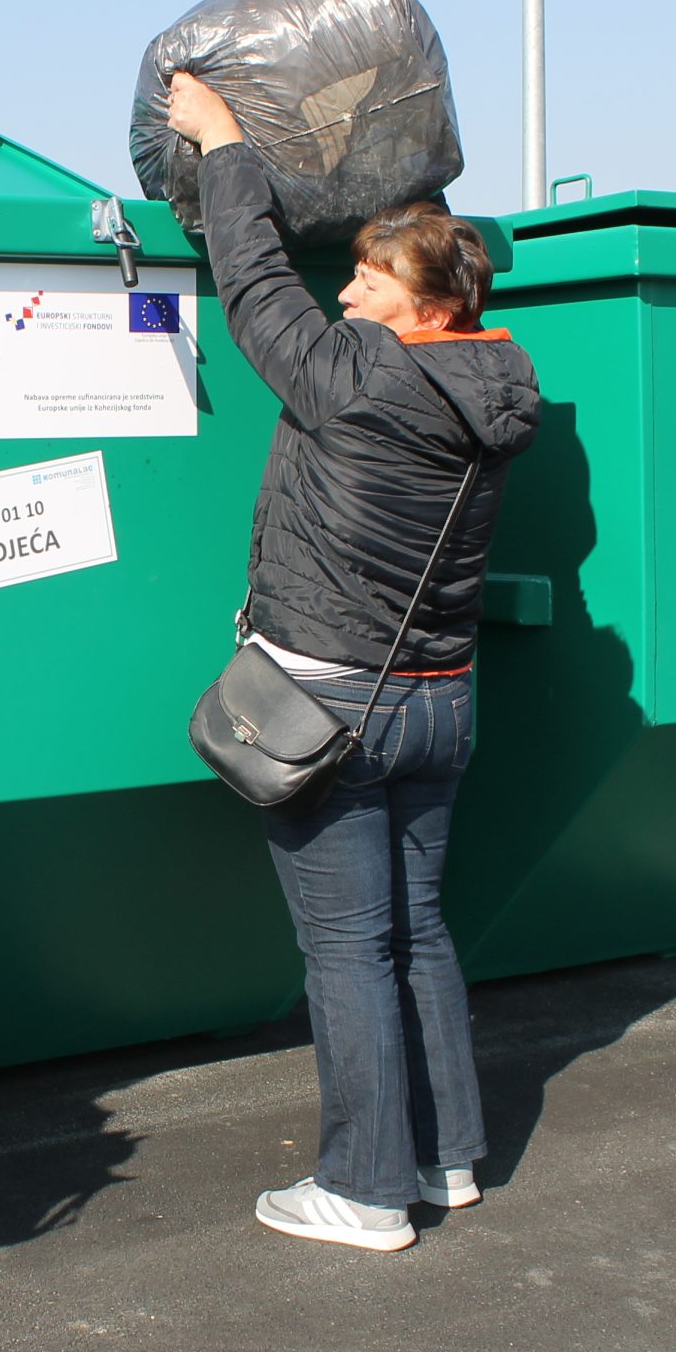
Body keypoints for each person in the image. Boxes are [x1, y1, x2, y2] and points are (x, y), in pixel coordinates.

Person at [167, 74, 542, 1253]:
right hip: (440, 703)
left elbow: (255, 286)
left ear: (426, 303)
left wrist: (224, 142)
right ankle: (444, 1159)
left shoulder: (357, 378)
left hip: (330, 709)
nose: (347, 291)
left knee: (345, 949)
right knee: (416, 932)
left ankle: (365, 1193)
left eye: (372, 278)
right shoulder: (501, 384)